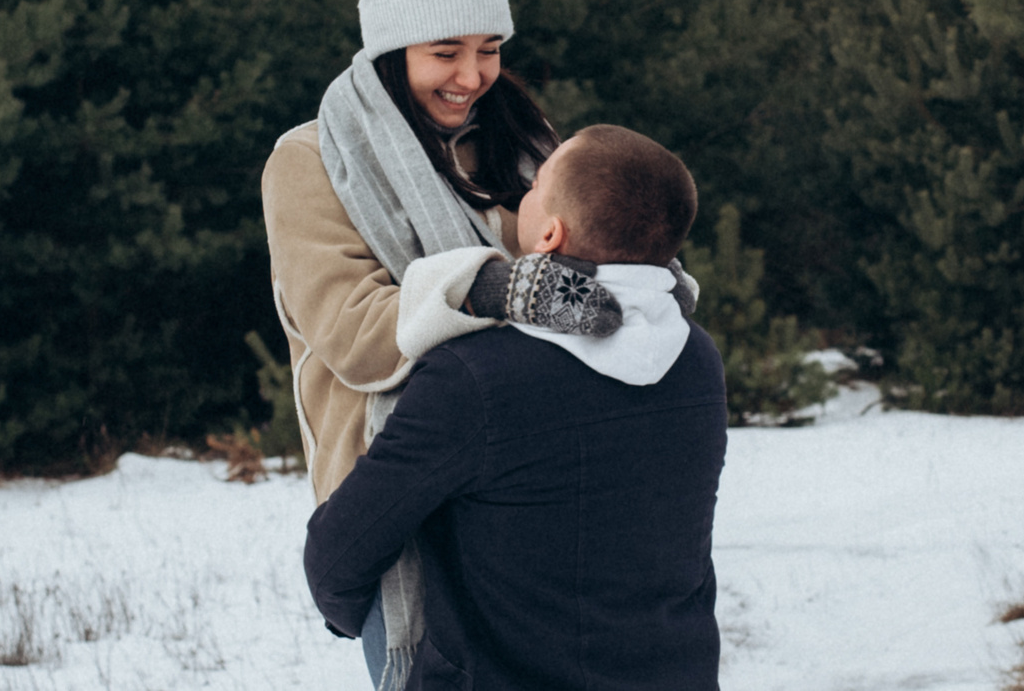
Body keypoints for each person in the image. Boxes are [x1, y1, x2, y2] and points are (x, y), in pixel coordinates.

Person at [263, 0, 637, 688]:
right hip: (408, 503)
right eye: (446, 52)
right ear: (393, 51)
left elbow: (597, 266)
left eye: (489, 50)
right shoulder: (310, 163)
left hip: (533, 493)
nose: (472, 76)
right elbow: (358, 333)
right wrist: (501, 287)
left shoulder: (520, 143)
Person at [304, 125, 728, 691]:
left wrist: (356, 618)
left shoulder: (476, 377)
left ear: (550, 233)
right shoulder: (697, 357)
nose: (519, 196)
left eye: (535, 188)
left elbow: (341, 551)